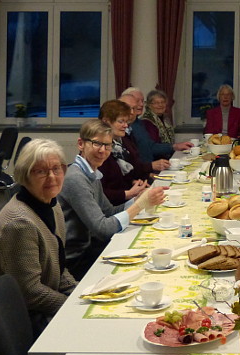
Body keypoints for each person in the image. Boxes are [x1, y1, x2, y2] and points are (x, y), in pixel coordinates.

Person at [0, 139, 77, 345]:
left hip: (36, 306)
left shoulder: (51, 205)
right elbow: (29, 294)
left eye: (56, 168)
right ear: (24, 176)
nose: (52, 177)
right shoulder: (19, 223)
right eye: (41, 171)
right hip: (10, 320)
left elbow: (58, 265)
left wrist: (78, 294)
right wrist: (72, 306)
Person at [59, 119, 166, 280]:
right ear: (81, 144)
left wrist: (138, 199)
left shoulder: (91, 173)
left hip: (89, 250)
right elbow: (103, 230)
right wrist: (140, 205)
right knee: (145, 269)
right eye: (97, 144)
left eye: (107, 145)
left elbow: (109, 211)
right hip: (77, 260)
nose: (103, 150)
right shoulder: (76, 178)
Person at [97, 99, 155, 206]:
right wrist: (128, 193)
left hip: (128, 198)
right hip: (113, 206)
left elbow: (130, 172)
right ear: (106, 121)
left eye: (126, 122)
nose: (125, 126)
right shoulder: (99, 150)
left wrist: (135, 182)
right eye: (121, 121)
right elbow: (99, 193)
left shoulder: (123, 141)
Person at [140, 89, 193, 159]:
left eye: (163, 102)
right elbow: (152, 147)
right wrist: (174, 147)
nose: (160, 105)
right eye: (156, 103)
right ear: (149, 105)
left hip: (169, 156)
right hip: (156, 160)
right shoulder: (147, 122)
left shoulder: (165, 118)